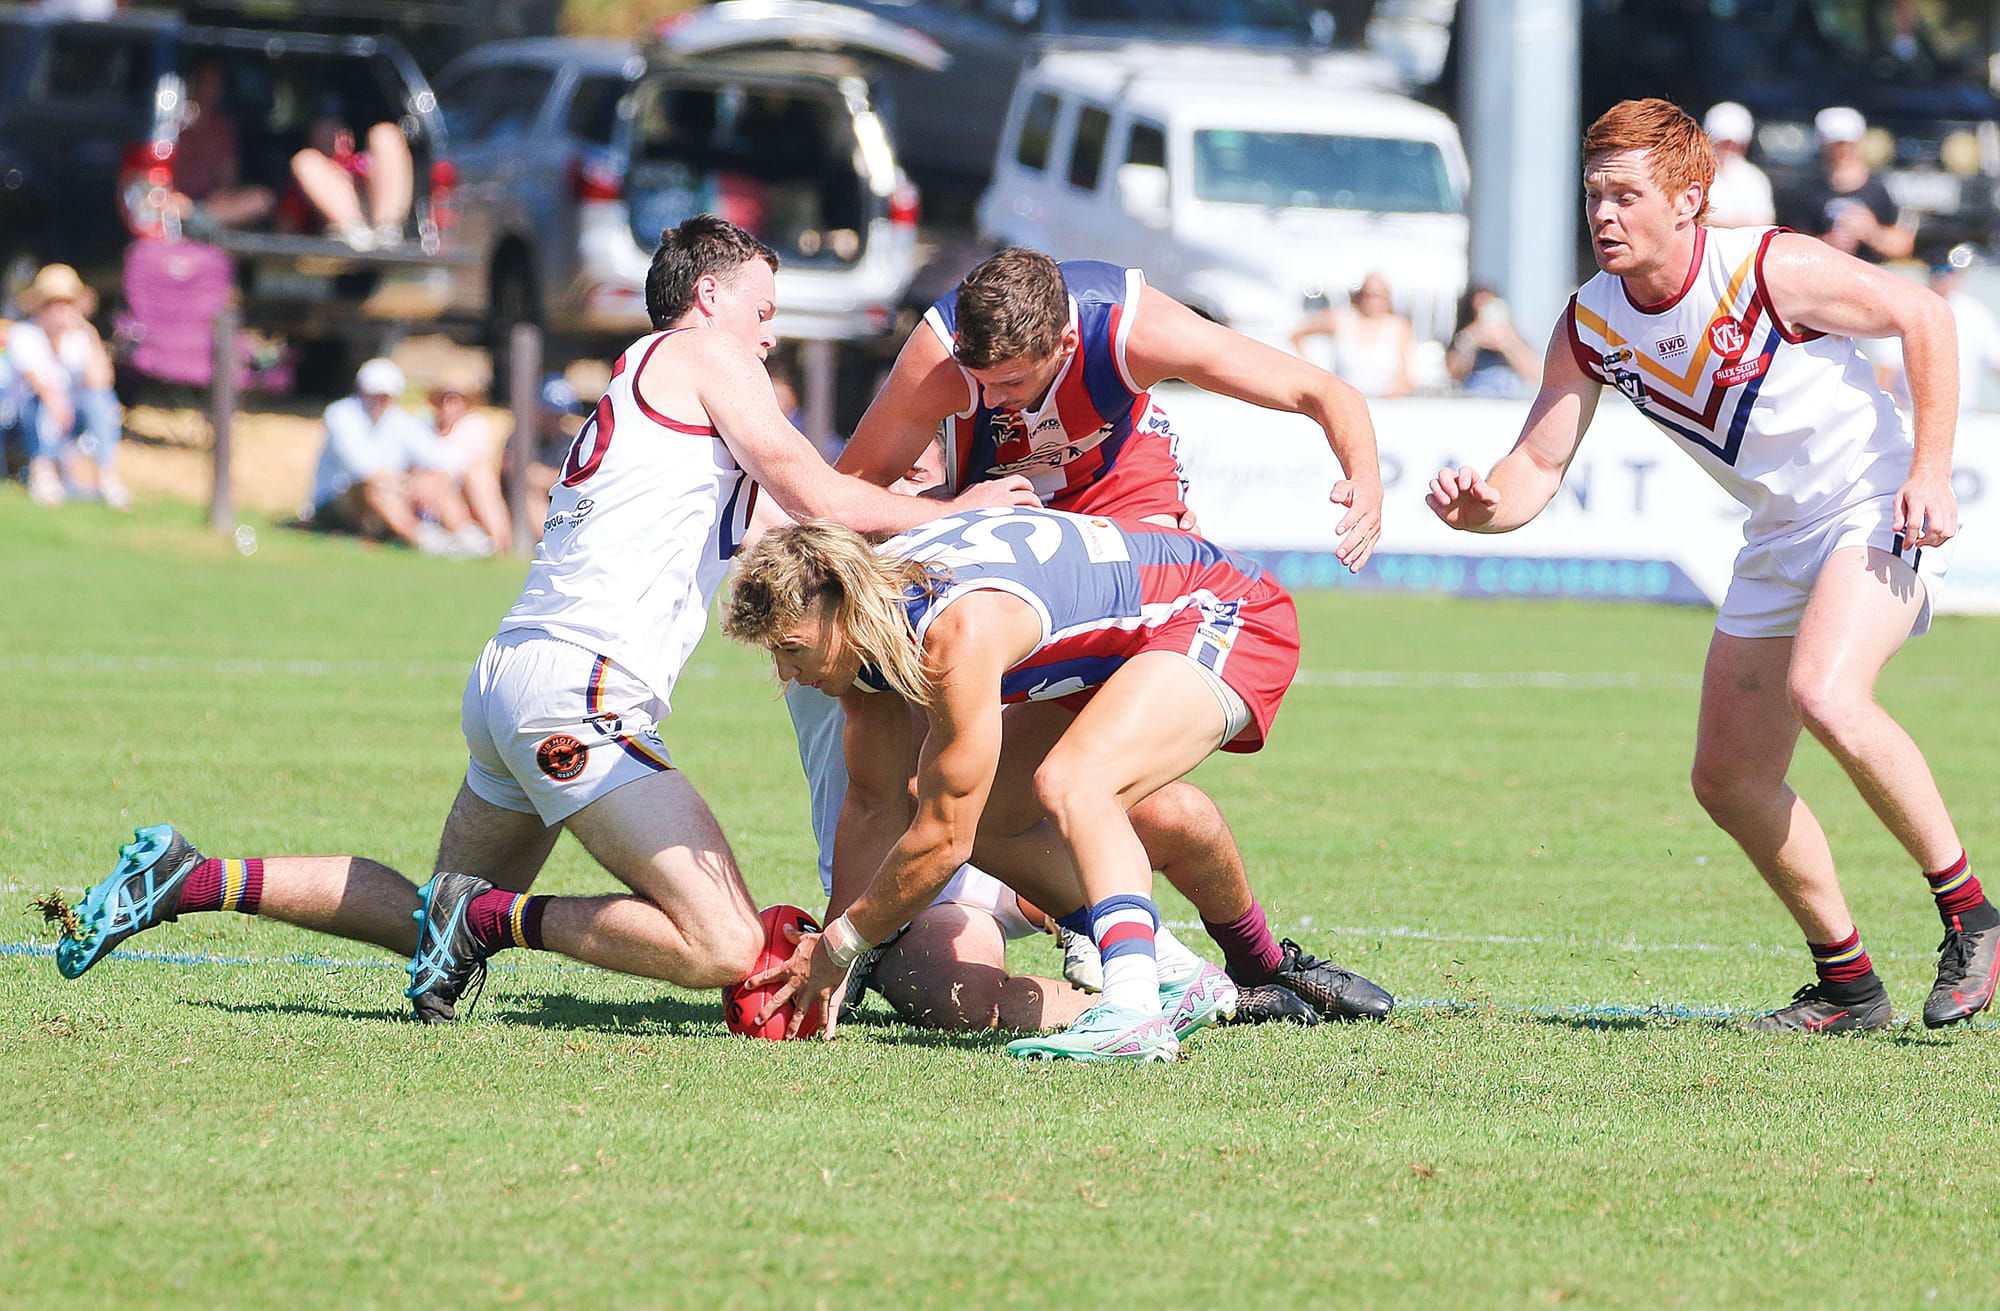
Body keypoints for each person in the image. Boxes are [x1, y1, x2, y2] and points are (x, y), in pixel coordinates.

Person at [52, 215, 1039, 1025]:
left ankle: (190, 877)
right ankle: (485, 923)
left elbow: (802, 528)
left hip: (513, 680)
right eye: (763, 310)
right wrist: (957, 512)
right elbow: (811, 486)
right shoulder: (700, 351)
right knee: (725, 945)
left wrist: (923, 542)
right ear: (708, 297)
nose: (770, 333)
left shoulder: (656, 398)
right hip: (578, 688)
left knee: (432, 913)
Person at [1426, 98, 1991, 1034]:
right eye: (1593, 195)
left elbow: (1924, 314)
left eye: (1626, 196)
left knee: (1827, 692)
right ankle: (1848, 984)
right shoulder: (1590, 324)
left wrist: (1929, 470)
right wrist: (1483, 508)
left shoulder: (1769, 266)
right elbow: (1534, 466)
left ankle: (1973, 914)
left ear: (1690, 199)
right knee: (1727, 777)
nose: (1604, 216)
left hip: (1870, 498)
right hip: (1778, 535)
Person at [782, 248, 1393, 1032]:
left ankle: (1236, 967)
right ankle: (1152, 954)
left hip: (1125, 544)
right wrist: (950, 510)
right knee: (1024, 797)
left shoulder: (1130, 329)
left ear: (1065, 347)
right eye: (979, 383)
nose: (987, 402)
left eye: (1008, 385)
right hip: (1016, 568)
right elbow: (846, 504)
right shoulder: (947, 358)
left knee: (1105, 794)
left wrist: (1364, 481)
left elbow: (1319, 387)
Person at [724, 506, 1308, 1062]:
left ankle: (1133, 1010)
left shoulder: (957, 630)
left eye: (791, 648)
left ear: (840, 612)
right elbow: (876, 805)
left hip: (1230, 610)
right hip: (1127, 645)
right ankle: (1174, 974)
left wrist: (836, 948)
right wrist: (834, 958)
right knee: (988, 820)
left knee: (1075, 784)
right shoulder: (865, 627)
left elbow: (942, 840)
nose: (785, 673)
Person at [307, 356, 486, 556]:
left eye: (386, 395)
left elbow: (439, 457)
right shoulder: (341, 414)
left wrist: (432, 480)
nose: (380, 400)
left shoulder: (398, 420)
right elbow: (361, 469)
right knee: (375, 488)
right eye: (375, 393)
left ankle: (466, 536)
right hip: (334, 503)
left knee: (432, 481)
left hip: (388, 493)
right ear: (362, 391)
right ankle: (424, 540)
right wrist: (405, 483)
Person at [7, 263, 126, 509]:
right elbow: (40, 385)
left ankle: (107, 474)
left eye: (67, 304)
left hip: (69, 419)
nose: (60, 311)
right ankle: (43, 470)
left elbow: (101, 382)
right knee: (42, 403)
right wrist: (57, 401)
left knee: (101, 400)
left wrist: (89, 334)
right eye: (53, 304)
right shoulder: (24, 335)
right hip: (25, 419)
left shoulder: (79, 339)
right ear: (40, 306)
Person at [1871, 249, 2000, 413]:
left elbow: (1997, 362)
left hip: (1965, 416)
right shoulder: (1909, 311)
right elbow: (1885, 370)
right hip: (1914, 414)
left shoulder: (1975, 314)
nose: (1943, 277)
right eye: (1937, 270)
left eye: (1948, 271)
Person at [1784, 106, 1915, 264]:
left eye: (1848, 144)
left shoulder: (1879, 190)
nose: (1843, 151)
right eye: (1836, 145)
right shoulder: (1806, 193)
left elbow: (1903, 246)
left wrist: (1872, 233)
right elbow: (1791, 248)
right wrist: (1828, 244)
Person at [168, 58, 276, 232]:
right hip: (173, 199)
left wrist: (220, 196)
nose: (209, 90)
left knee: (261, 199)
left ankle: (197, 220)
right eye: (204, 82)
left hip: (209, 207)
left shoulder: (222, 128)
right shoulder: (171, 123)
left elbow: (227, 177)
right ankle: (195, 221)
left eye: (215, 84)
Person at [289, 108, 414, 252]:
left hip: (385, 226)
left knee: (386, 135)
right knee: (306, 161)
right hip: (337, 242)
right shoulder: (307, 169)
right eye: (323, 129)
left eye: (336, 127)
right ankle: (355, 231)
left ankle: (387, 231)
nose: (331, 136)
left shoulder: (365, 159)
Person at [1290, 272, 1419, 398]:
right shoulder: (1343, 318)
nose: (1373, 301)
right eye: (1368, 295)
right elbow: (1298, 333)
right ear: (1360, 295)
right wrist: (1315, 372)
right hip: (1343, 402)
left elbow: (1406, 376)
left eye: (1379, 296)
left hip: (1385, 403)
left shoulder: (1399, 326)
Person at [427, 366, 512, 546]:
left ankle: (499, 539)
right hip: (435, 488)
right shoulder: (424, 425)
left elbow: (463, 464)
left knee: (477, 475)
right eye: (443, 398)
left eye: (455, 399)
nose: (448, 405)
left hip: (465, 489)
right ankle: (470, 541)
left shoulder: (475, 425)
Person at [1445, 284, 1541, 399]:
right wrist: (1470, 339)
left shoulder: (1511, 338)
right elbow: (1452, 373)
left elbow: (1536, 374)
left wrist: (1508, 343)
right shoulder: (1465, 339)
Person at [1700, 101, 1775, 229]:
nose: (1729, 149)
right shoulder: (1694, 175)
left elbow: (1766, 223)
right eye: (1723, 143)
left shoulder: (1754, 178)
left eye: (1735, 144)